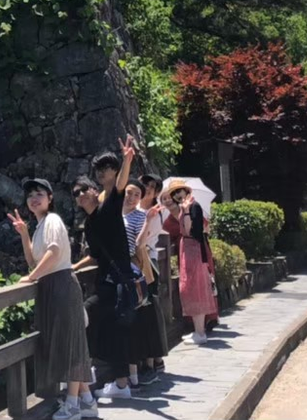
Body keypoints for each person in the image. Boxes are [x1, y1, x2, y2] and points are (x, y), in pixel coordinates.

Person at [9, 178, 95, 420]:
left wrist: (31, 278)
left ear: (50, 197)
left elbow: (54, 252)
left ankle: (73, 405)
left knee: (70, 345)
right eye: (30, 196)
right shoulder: (40, 226)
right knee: (69, 343)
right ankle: (87, 402)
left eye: (39, 194)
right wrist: (24, 234)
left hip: (61, 285)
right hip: (53, 286)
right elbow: (33, 261)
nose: (34, 199)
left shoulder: (53, 220)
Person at [72, 136, 139, 402]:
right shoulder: (89, 224)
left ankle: (84, 370)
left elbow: (119, 186)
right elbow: (95, 256)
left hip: (116, 281)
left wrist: (126, 159)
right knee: (113, 331)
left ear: (93, 191)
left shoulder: (109, 207)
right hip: (107, 279)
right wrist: (73, 266)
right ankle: (121, 384)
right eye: (75, 193)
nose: (80, 195)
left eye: (83, 190)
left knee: (83, 314)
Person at [127, 177, 169, 384]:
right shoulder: (131, 212)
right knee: (141, 315)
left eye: (153, 188)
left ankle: (151, 363)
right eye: (146, 186)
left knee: (148, 314)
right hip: (135, 266)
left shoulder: (153, 214)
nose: (148, 190)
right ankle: (152, 360)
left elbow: (141, 243)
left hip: (147, 266)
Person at [165, 180, 217, 343]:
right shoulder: (187, 206)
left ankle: (200, 332)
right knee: (190, 288)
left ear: (186, 191)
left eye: (179, 191)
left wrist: (186, 211)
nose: (177, 195)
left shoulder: (193, 206)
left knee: (195, 288)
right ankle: (198, 330)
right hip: (188, 248)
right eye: (174, 193)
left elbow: (189, 231)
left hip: (193, 249)